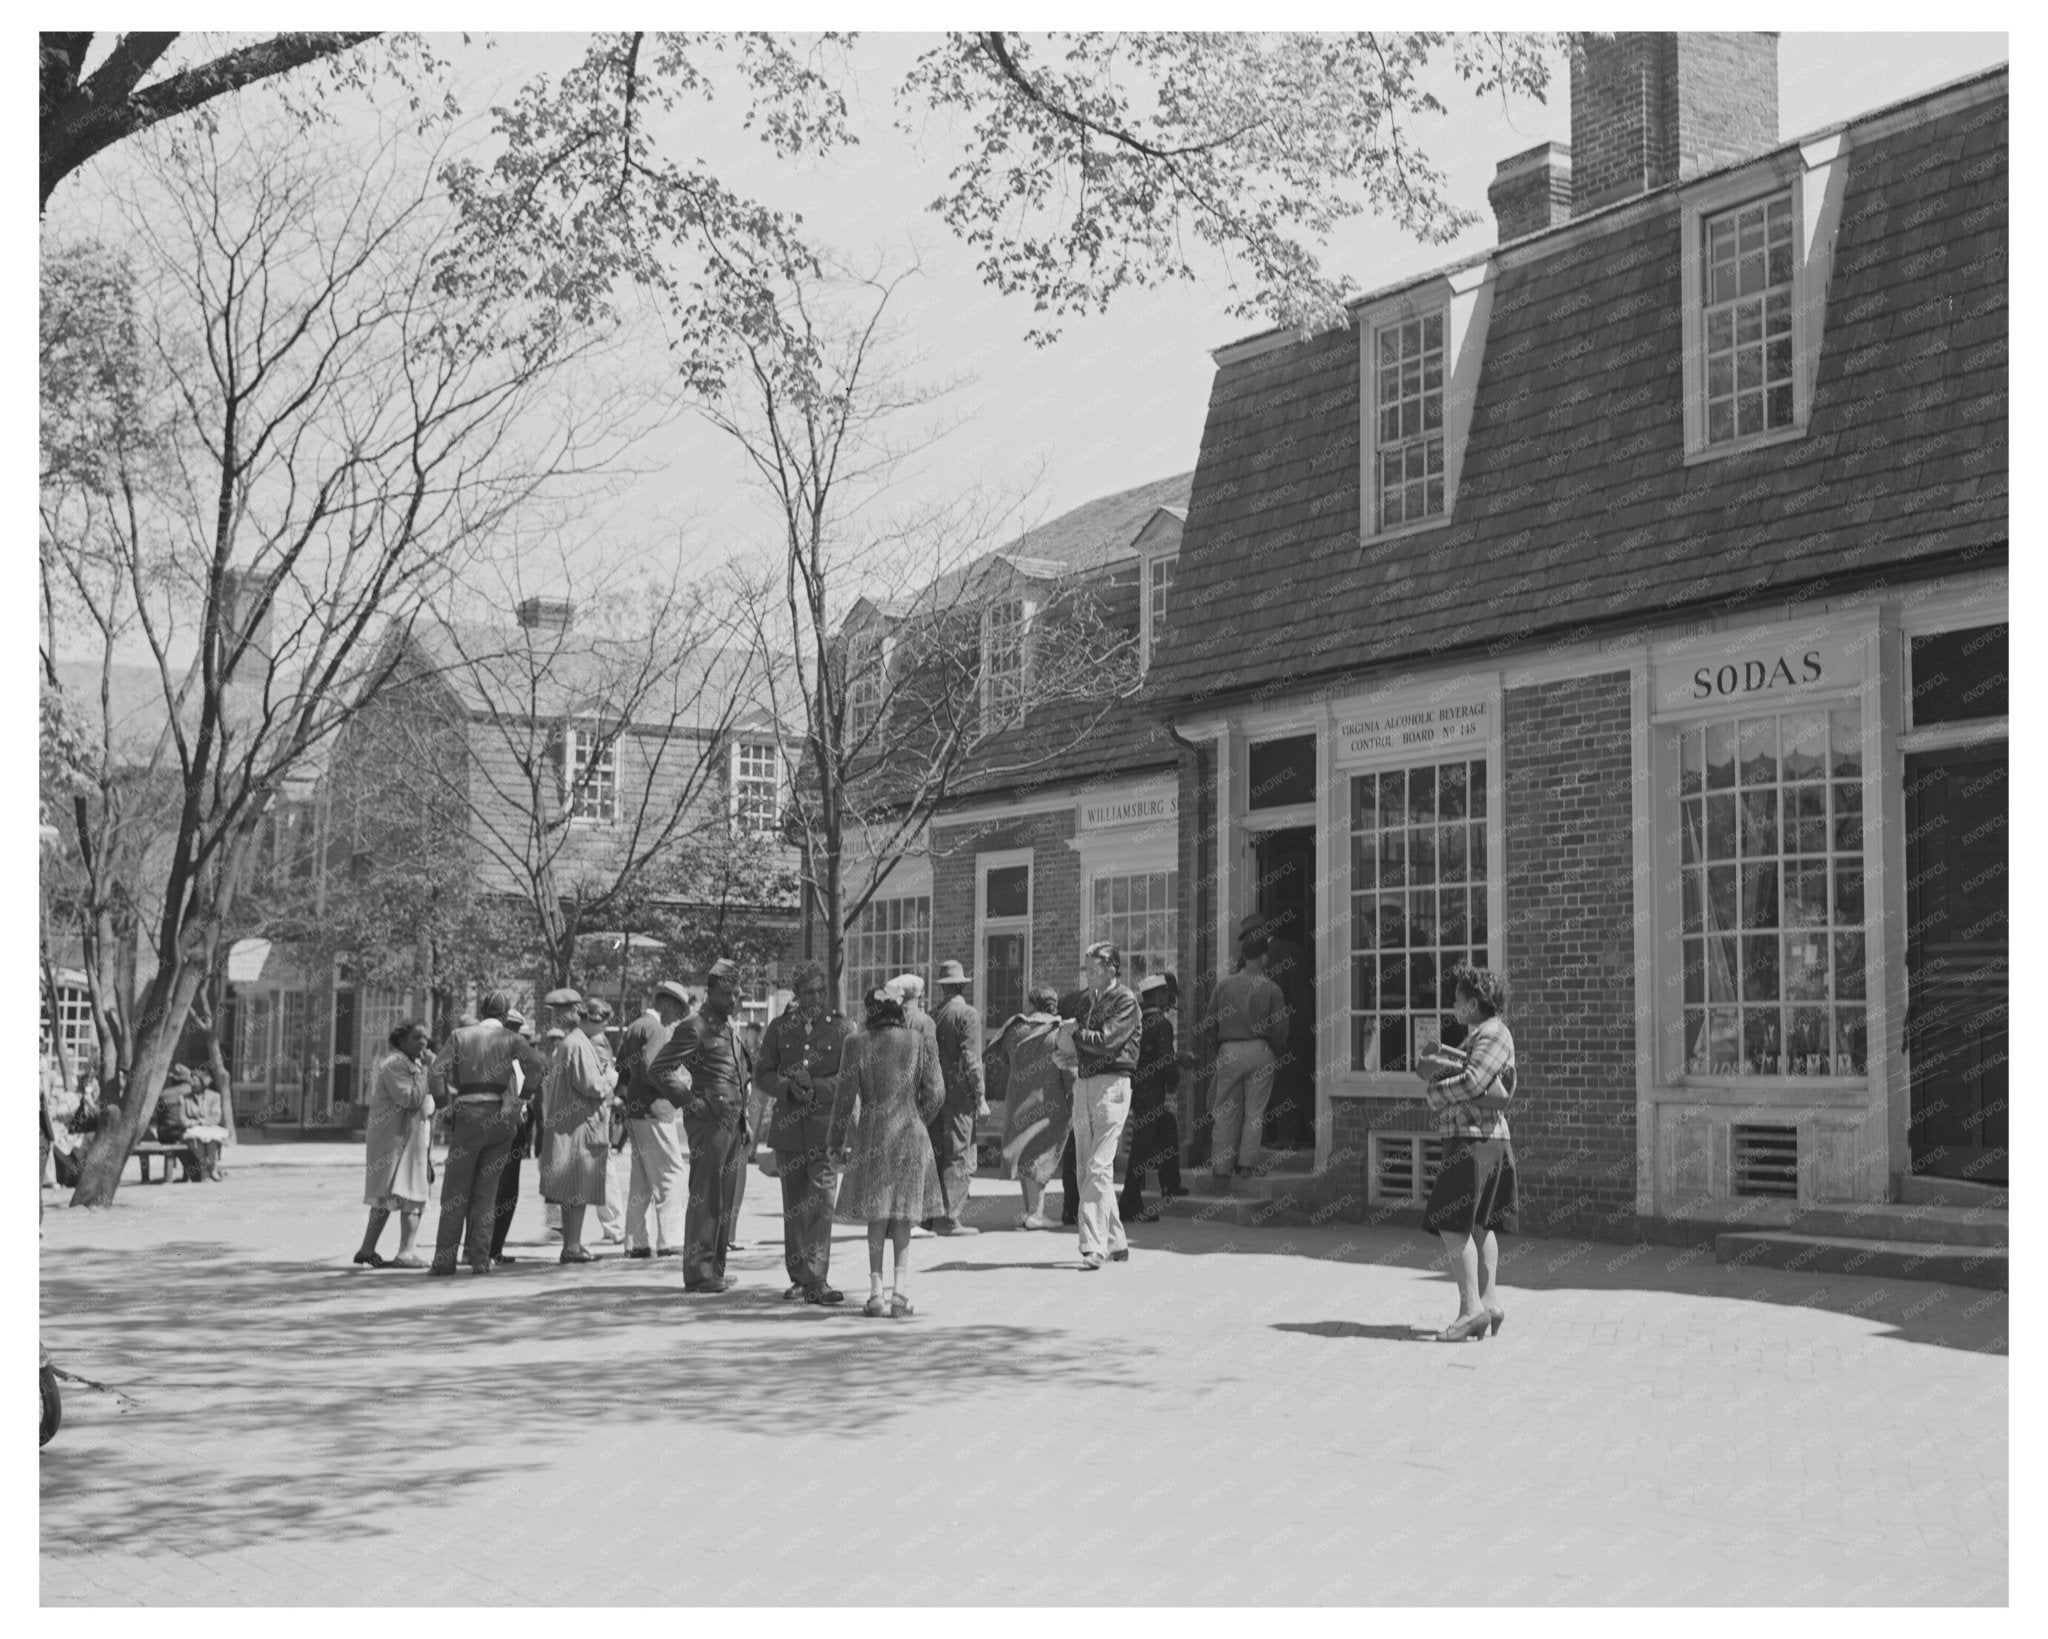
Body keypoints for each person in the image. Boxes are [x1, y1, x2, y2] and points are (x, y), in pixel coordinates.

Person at [1416, 964, 1518, 1342]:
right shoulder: (1485, 1033)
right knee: (1479, 1224)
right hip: (1484, 1139)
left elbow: (1475, 1082)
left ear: (1474, 1002)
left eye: (1458, 999)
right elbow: (1478, 1079)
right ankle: (1488, 1304)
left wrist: (1434, 1089)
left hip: (1474, 1141)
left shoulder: (1492, 1033)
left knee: (1450, 1223)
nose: (1453, 1005)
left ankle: (1470, 1309)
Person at [831, 987, 946, 1316]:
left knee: (877, 1215)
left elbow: (843, 1098)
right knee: (904, 1214)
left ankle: (875, 1294)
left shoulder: (855, 1043)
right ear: (900, 1011)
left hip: (872, 1133)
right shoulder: (918, 1041)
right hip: (910, 1131)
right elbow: (937, 1092)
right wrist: (918, 1118)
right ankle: (900, 1293)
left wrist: (835, 1142)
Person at [753, 960, 856, 1304]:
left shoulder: (842, 1028)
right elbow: (762, 1073)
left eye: (821, 991)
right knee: (795, 1205)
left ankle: (817, 1278)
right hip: (790, 1131)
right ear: (796, 994)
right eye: (809, 992)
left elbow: (850, 1077)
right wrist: (787, 1088)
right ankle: (799, 1277)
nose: (816, 998)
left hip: (826, 1131)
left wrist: (817, 1087)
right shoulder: (779, 1028)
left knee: (822, 1203)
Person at [648, 957, 753, 1293]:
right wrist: (691, 1102)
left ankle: (714, 1269)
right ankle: (698, 1271)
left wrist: (745, 1120)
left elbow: (736, 1077)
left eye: (736, 993)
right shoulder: (695, 1027)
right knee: (706, 1196)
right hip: (709, 1123)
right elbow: (659, 1070)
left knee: (724, 1198)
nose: (733, 999)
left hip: (732, 1122)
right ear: (710, 992)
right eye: (726, 994)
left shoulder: (727, 1027)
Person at [426, 991, 526, 1276]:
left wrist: (443, 1106)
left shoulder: (460, 1036)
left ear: (481, 1012)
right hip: (500, 1119)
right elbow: (528, 1074)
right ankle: (480, 1259)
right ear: (505, 1016)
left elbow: (435, 1072)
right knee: (487, 1194)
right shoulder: (512, 1040)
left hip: (469, 1116)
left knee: (455, 1192)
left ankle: (444, 1260)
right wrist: (517, 1109)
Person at [1060, 942, 1140, 1270]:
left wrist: (1075, 1033)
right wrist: (1065, 1048)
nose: (1088, 975)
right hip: (1084, 1082)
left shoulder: (1125, 1000)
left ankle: (1093, 1246)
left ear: (1111, 968)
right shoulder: (1085, 1002)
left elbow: (1106, 1041)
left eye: (1094, 969)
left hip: (1112, 1085)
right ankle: (1116, 1241)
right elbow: (1081, 1044)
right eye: (1086, 969)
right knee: (1087, 1166)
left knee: (1098, 1166)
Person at [1203, 932, 1290, 1191]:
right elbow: (1280, 1028)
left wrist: (1219, 1047)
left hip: (1229, 1048)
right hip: (1260, 1049)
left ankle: (1221, 1169)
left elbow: (1210, 1023)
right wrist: (1274, 1049)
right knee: (1255, 1111)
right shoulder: (1272, 988)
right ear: (1264, 957)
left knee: (1225, 1111)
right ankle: (1246, 1165)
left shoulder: (1223, 986)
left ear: (1243, 956)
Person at [539, 990, 616, 1264]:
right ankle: (572, 1245)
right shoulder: (579, 1044)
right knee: (578, 1189)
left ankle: (571, 1244)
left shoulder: (572, 1042)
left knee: (572, 1191)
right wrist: (611, 1079)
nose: (604, 1028)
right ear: (591, 1019)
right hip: (578, 1127)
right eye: (603, 1022)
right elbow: (591, 1085)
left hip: (571, 1124)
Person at [616, 981, 692, 1259]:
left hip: (636, 1110)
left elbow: (622, 1070)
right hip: (655, 1109)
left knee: (642, 1180)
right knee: (673, 1174)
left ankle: (636, 1242)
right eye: (678, 1013)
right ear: (668, 1005)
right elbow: (654, 1069)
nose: (676, 1020)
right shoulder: (656, 1029)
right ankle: (670, 1240)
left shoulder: (635, 1026)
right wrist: (683, 1095)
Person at [989, 985, 1073, 1229]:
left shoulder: (1015, 1027)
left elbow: (1004, 1057)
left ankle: (1031, 1212)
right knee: (1042, 1154)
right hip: (1050, 1098)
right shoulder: (1058, 1030)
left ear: (1032, 1003)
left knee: (1026, 1153)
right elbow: (1068, 1068)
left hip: (1018, 1096)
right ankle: (1037, 1215)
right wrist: (1072, 1096)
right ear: (1054, 1004)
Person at [355, 1021, 435, 1268]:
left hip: (405, 1138)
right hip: (398, 1140)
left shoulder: (409, 1063)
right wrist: (426, 1071)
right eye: (416, 1037)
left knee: (387, 1196)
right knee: (412, 1193)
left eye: (425, 1037)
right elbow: (410, 1099)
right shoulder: (396, 1065)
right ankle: (405, 1253)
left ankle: (367, 1250)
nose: (423, 1042)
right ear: (401, 1041)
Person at [924, 959, 987, 1235]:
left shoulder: (932, 1015)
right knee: (960, 1155)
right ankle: (949, 1218)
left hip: (933, 1093)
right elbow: (971, 1059)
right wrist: (980, 1096)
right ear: (962, 985)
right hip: (959, 1096)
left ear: (942, 988)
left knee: (937, 1154)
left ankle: (930, 1216)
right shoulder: (967, 1014)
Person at [1118, 973, 1186, 1222]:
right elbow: (1165, 1060)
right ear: (1159, 996)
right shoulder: (1161, 1024)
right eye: (1167, 994)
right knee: (1141, 1148)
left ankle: (1170, 1183)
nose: (1169, 999)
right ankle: (1130, 1204)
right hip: (1152, 1091)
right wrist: (1174, 1080)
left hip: (1135, 1089)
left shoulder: (1136, 1022)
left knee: (1167, 1126)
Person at [488, 1010, 549, 1267]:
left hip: (510, 1123)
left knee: (505, 1190)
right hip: (503, 1124)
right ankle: (485, 1247)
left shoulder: (513, 1057)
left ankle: (492, 1247)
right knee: (498, 1189)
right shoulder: (501, 1054)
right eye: (512, 1027)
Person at [180, 1069, 231, 1182]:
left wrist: (201, 1122)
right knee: (197, 1141)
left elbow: (216, 1117)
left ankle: (212, 1170)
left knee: (211, 1141)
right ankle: (205, 1172)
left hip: (209, 1129)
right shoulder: (185, 1098)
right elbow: (183, 1119)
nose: (191, 1083)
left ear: (202, 1082)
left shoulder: (214, 1096)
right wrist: (194, 1124)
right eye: (190, 1080)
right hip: (192, 1130)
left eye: (194, 1080)